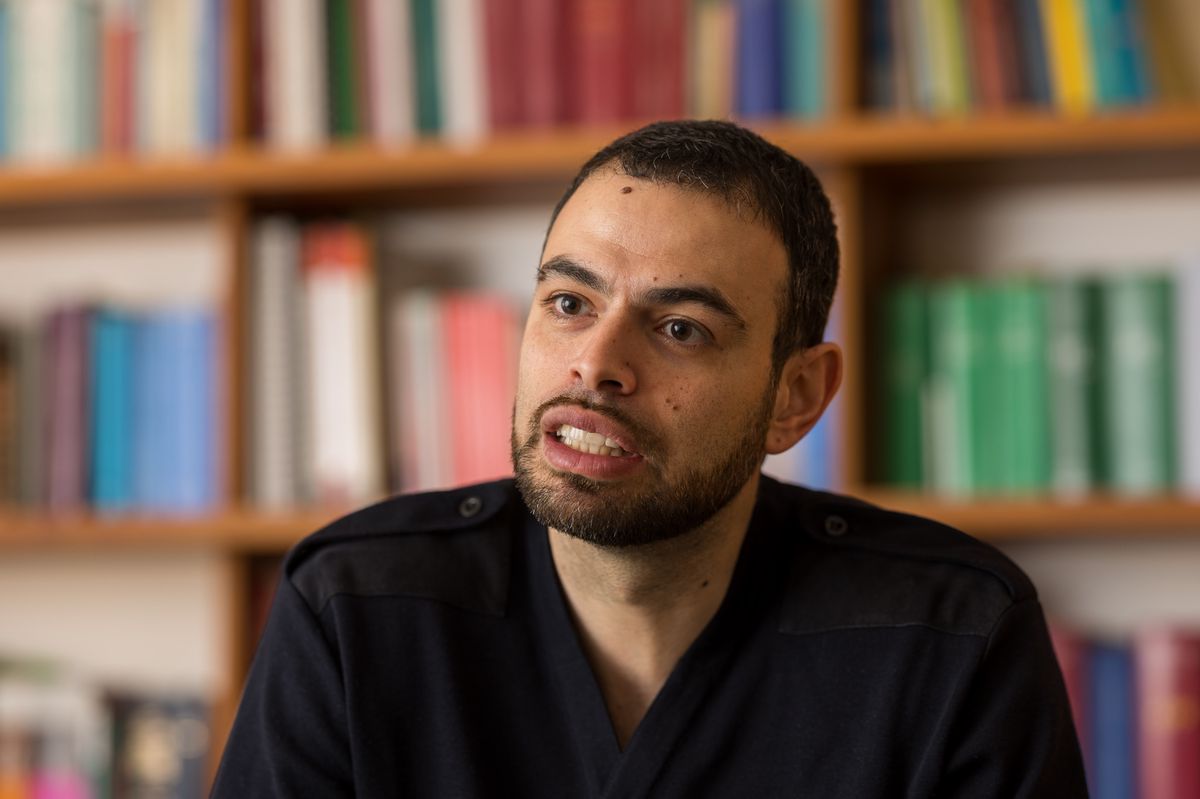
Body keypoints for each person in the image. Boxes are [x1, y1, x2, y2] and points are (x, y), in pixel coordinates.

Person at [212, 120, 1087, 797]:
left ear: (795, 397)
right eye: (569, 302)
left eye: (679, 328)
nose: (596, 363)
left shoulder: (950, 635)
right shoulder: (356, 607)